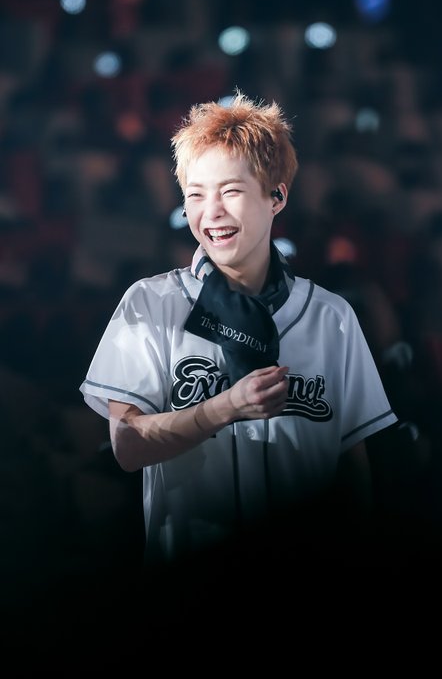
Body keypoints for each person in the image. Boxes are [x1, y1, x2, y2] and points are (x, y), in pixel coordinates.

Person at [80, 90, 398, 583]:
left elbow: (352, 464)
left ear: (277, 197)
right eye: (195, 195)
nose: (211, 212)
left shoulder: (332, 316)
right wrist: (224, 407)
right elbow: (126, 445)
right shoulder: (150, 303)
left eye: (230, 191)